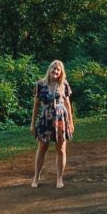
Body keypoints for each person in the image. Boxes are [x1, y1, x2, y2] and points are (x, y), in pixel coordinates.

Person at [30, 59, 74, 188]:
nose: (55, 71)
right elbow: (36, 105)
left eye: (58, 70)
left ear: (61, 73)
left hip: (61, 120)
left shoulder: (64, 84)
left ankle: (59, 179)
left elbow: (67, 104)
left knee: (61, 149)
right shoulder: (40, 84)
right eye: (53, 69)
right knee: (42, 148)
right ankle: (36, 177)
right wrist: (32, 123)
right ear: (49, 70)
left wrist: (71, 122)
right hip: (45, 119)